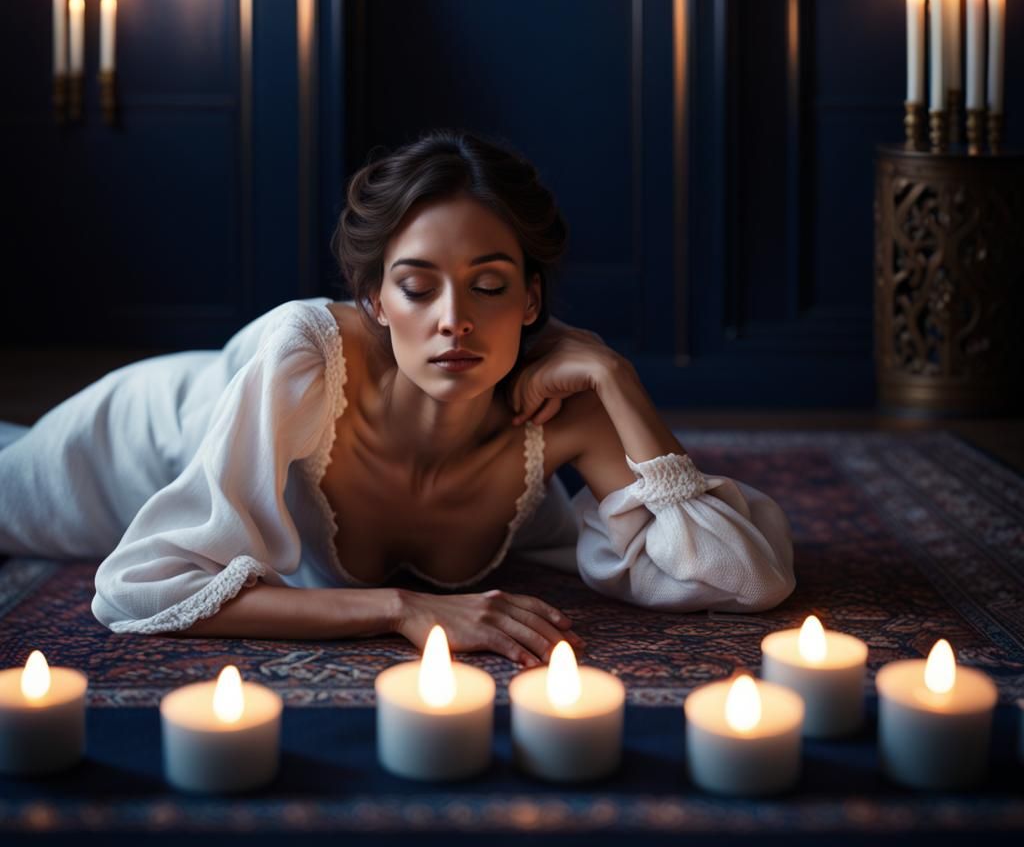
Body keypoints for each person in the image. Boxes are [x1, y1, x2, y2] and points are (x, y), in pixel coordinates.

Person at [0, 129, 795, 667]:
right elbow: (138, 586)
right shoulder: (309, 355)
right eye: (418, 288)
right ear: (376, 299)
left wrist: (622, 381)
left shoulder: (568, 401)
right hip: (154, 434)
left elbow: (747, 580)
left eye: (488, 285)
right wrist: (402, 609)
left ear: (529, 298)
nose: (454, 321)